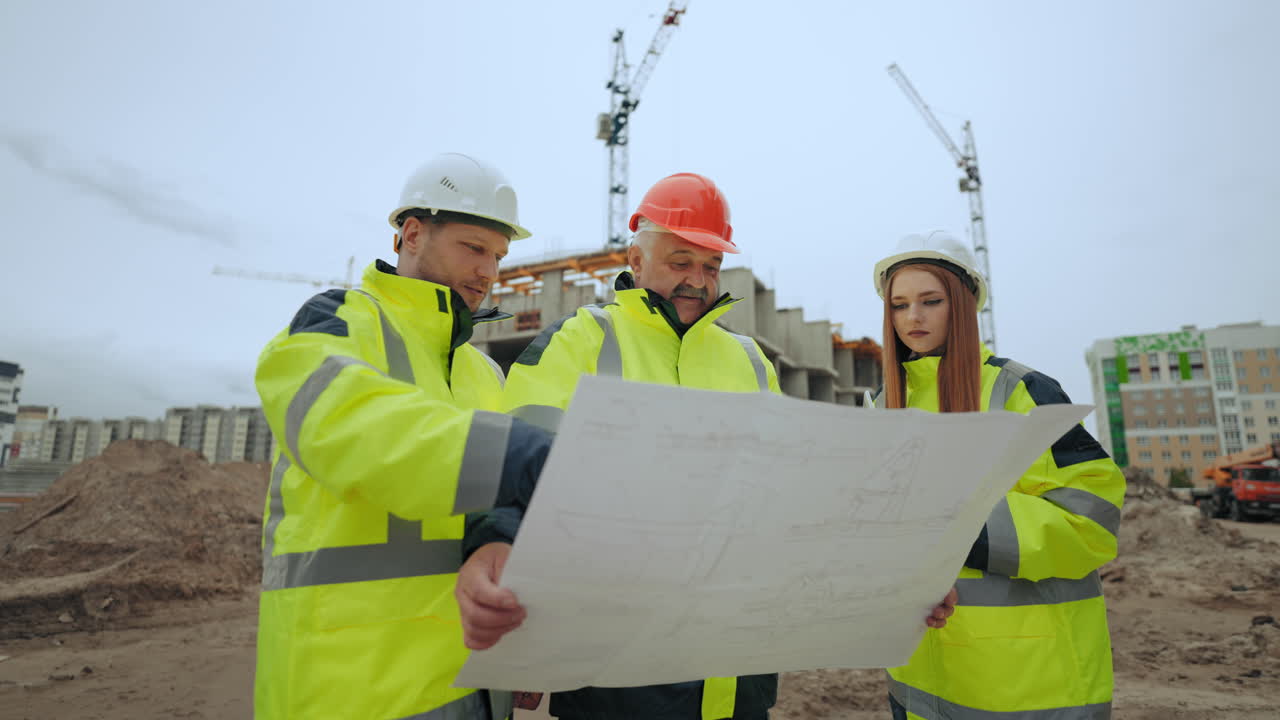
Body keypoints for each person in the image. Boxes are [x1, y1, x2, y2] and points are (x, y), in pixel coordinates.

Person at [455, 175, 957, 720]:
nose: (698, 280)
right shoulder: (581, 341)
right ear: (636, 260)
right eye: (680, 262)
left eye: (711, 266)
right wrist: (495, 542)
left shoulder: (747, 359)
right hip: (618, 663)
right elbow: (521, 463)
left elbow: (793, 497)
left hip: (737, 660)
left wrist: (900, 578)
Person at [253, 153, 551, 720]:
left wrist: (523, 648)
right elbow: (342, 421)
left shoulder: (483, 373)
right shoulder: (338, 321)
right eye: (473, 247)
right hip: (352, 687)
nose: (489, 272)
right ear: (412, 234)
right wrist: (515, 454)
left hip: (474, 680)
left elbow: (499, 524)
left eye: (498, 256)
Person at [870, 231, 1124, 720]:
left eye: (930, 301)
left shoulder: (1022, 391)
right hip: (919, 678)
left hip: (1030, 679)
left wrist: (951, 522)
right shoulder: (882, 405)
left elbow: (1092, 519)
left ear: (963, 305)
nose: (913, 318)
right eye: (899, 305)